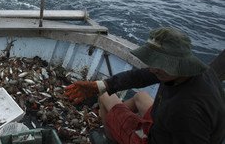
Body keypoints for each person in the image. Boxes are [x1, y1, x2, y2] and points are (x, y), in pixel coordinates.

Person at [64, 27, 225, 144]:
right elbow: (142, 76)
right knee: (140, 97)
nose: (153, 68)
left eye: (159, 64)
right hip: (162, 126)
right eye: (153, 61)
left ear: (177, 64)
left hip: (155, 138)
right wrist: (99, 85)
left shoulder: (186, 111)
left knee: (105, 98)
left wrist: (102, 91)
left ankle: (110, 136)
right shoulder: (195, 72)